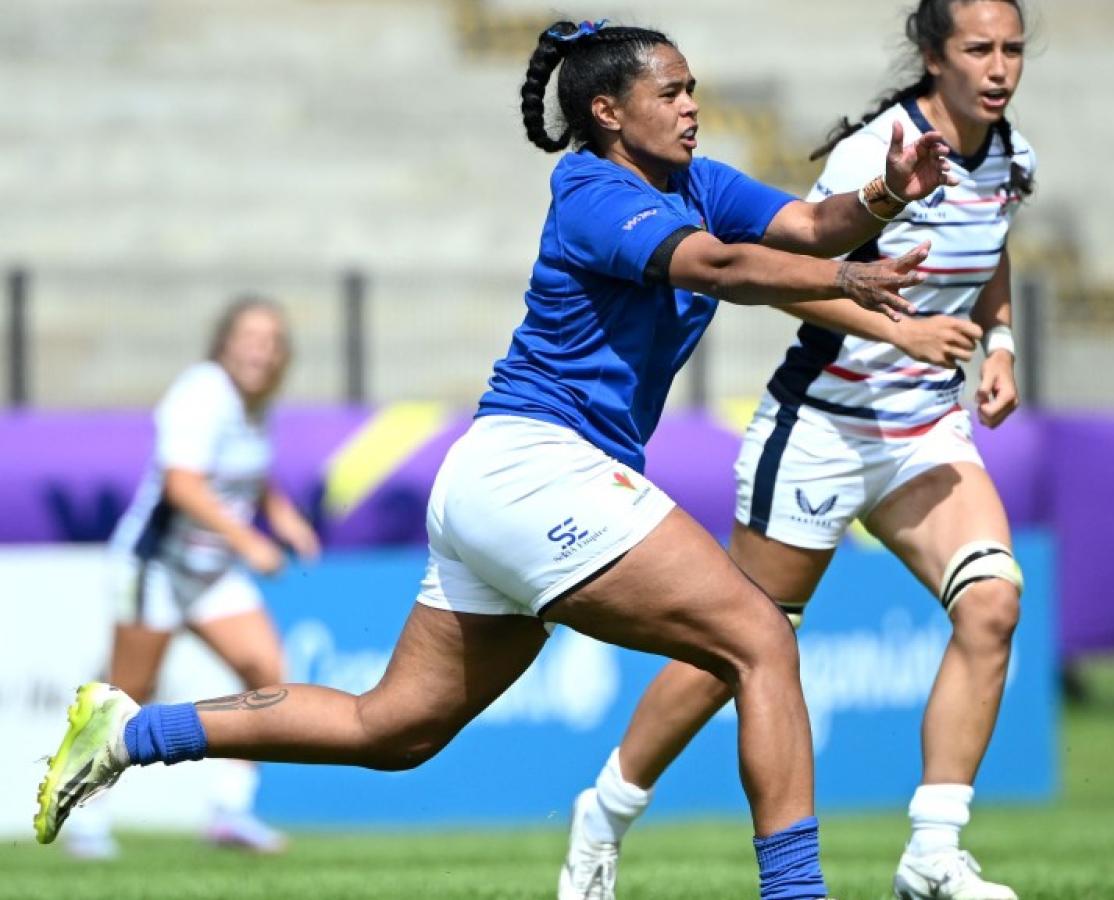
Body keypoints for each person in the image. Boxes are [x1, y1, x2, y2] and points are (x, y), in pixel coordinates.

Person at [34, 18, 956, 900]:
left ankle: (131, 732)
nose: (689, 106)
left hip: (504, 480)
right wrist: (846, 279)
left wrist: (884, 196)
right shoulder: (591, 192)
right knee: (759, 640)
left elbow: (805, 226)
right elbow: (719, 270)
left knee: (390, 728)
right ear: (609, 112)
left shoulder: (702, 180)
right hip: (535, 469)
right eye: (670, 92)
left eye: (693, 91)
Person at [557, 3, 1034, 899]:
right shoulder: (877, 150)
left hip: (925, 429)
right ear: (934, 56)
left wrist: (998, 344)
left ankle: (933, 854)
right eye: (979, 48)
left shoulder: (1013, 155)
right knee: (737, 646)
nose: (1000, 66)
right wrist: (902, 331)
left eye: (1011, 49)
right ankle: (607, 811)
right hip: (822, 427)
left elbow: (990, 253)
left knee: (994, 605)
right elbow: (785, 277)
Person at [64, 297, 320, 859]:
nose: (261, 348)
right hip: (154, 565)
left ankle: (230, 809)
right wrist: (251, 539)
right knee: (128, 695)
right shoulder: (201, 394)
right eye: (251, 336)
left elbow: (251, 472)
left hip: (208, 572)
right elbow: (183, 485)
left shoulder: (255, 406)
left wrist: (283, 516)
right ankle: (84, 814)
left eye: (272, 339)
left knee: (267, 673)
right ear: (224, 343)